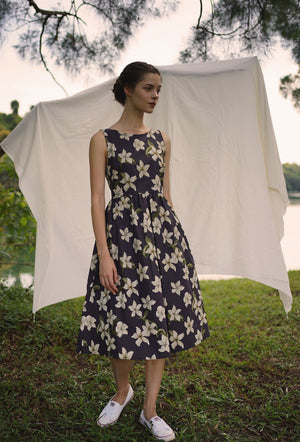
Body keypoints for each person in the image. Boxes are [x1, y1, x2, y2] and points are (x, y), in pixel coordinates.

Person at [77, 61, 210, 441]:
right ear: (128, 90)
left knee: (160, 320)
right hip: (120, 238)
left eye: (158, 90)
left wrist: (173, 245)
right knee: (121, 314)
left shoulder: (162, 140)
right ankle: (122, 392)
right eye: (149, 88)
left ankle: (149, 411)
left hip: (162, 240)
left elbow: (166, 196)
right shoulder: (102, 139)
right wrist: (105, 254)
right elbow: (96, 198)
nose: (155, 96)